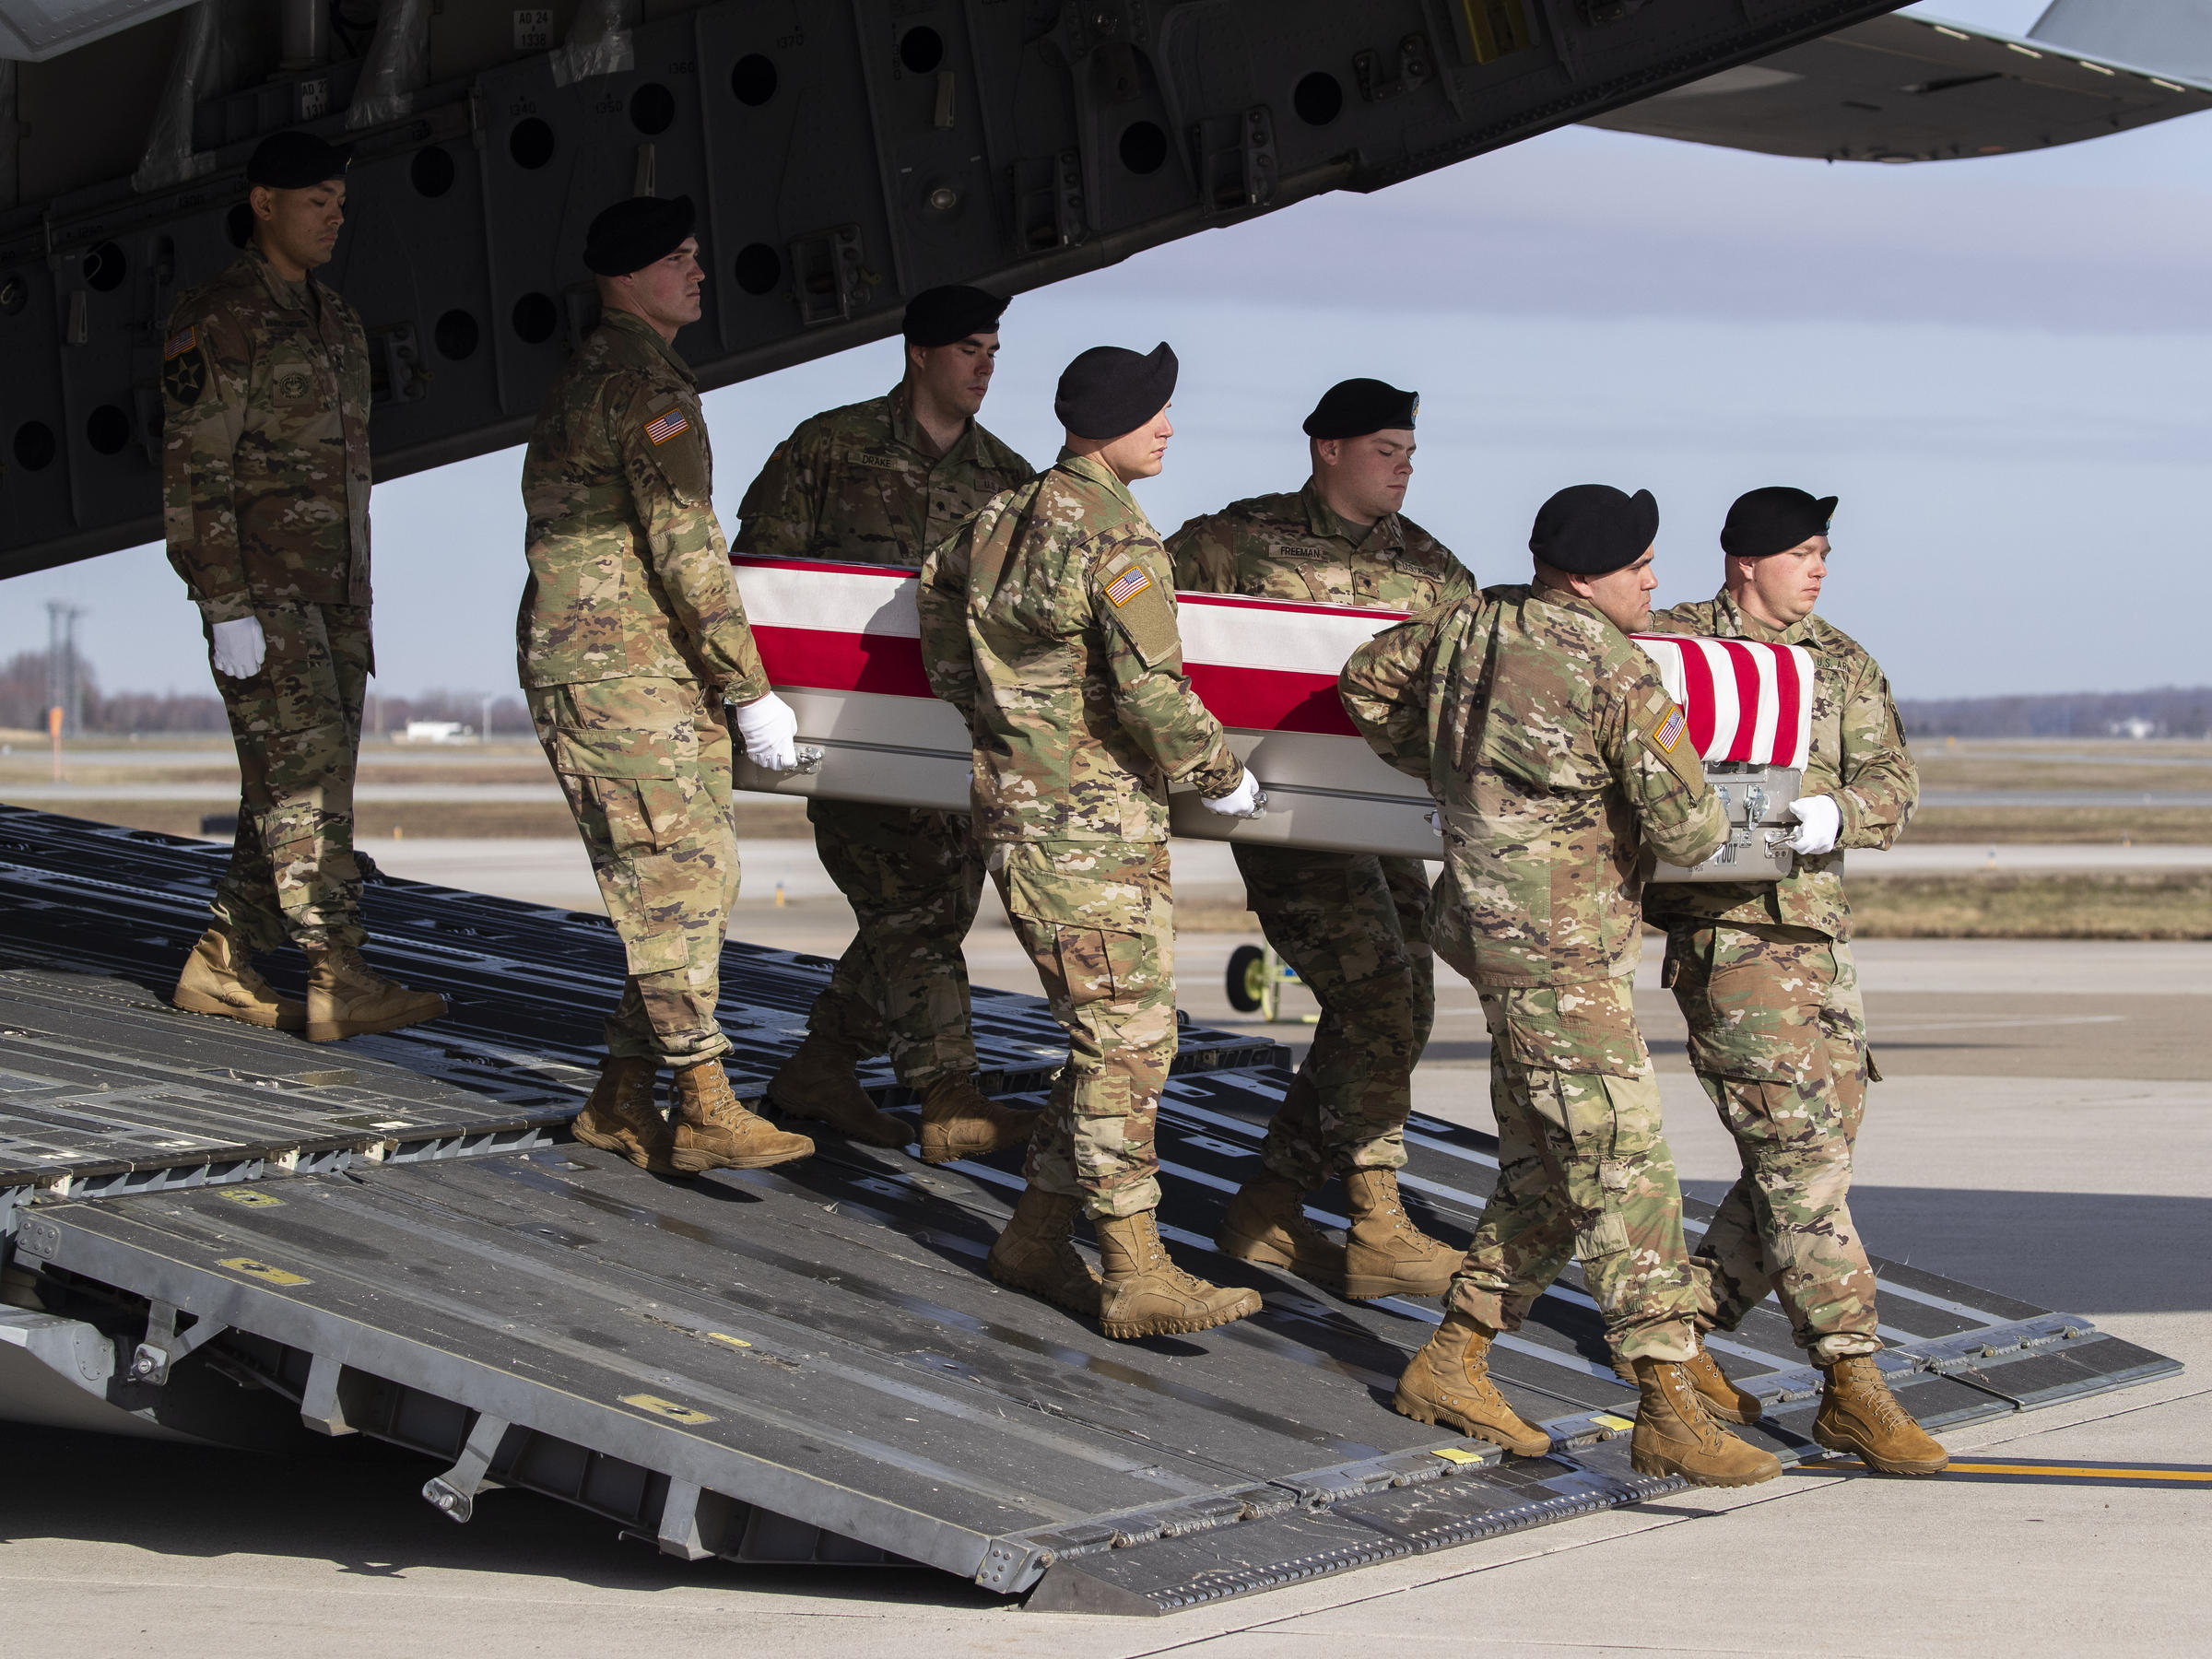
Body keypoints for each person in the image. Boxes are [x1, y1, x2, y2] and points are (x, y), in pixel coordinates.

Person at [1340, 484, 1780, 1488]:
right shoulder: (1615, 671)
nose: (1655, 581)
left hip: (1491, 934)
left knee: (1547, 1161)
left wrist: (1458, 775)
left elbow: (1367, 683)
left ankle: (1453, 1359)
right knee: (1625, 1160)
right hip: (1562, 957)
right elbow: (1691, 831)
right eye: (1641, 565)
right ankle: (1665, 1400)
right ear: (1589, 575)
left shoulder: (1465, 625)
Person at [915, 343, 1267, 1340]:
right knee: (1128, 1037)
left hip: (1021, 805)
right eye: (1155, 410)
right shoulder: (1116, 533)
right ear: (1112, 420)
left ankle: (1036, 1232)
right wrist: (1220, 774)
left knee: (1107, 1033)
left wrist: (992, 709)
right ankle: (1135, 1263)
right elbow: (1154, 690)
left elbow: (934, 600)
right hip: (1090, 822)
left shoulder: (1000, 514)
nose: (1167, 426)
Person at [1640, 486, 1946, 1476]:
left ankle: (1678, 1335)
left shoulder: (1843, 661)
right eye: (1802, 552)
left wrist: (1838, 813)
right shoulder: (1670, 648)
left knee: (1816, 1156)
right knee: (1801, 1167)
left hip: (1819, 943)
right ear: (1746, 561)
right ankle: (1853, 1383)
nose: (1818, 568)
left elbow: (1894, 784)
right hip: (1729, 943)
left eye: (1824, 552)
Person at [518, 193, 811, 1177]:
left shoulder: (598, 374)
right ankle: (704, 1099)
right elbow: (690, 549)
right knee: (674, 886)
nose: (698, 271)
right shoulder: (648, 392)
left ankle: (618, 1097)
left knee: (693, 878)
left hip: (619, 668)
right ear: (630, 277)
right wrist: (749, 685)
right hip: (621, 675)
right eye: (681, 258)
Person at [1168, 377, 1473, 1300]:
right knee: (1377, 995)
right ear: (1328, 450)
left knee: (1404, 1001)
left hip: (1388, 822)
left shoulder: (1435, 571)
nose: (1404, 467)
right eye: (1386, 451)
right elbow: (1148, 638)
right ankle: (1376, 1220)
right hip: (1285, 815)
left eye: (1410, 452)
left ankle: (1269, 1202)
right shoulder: (1233, 540)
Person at [737, 286, 1037, 1163]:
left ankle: (821, 1069)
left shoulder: (1008, 482)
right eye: (969, 350)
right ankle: (950, 1093)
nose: (985, 367)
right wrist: (760, 706)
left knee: (935, 909)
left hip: (953, 748)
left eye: (993, 351)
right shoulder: (829, 448)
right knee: (911, 907)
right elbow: (758, 580)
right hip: (847, 735)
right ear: (919, 354)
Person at [161, 130, 444, 1045]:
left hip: (337, 602)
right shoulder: (220, 321)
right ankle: (338, 976)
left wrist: (356, 608)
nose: (333, 215)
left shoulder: (342, 323)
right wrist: (224, 605)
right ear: (263, 203)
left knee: (291, 788)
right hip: (266, 601)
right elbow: (195, 473)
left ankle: (222, 963)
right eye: (315, 199)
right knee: (307, 795)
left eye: (340, 202)